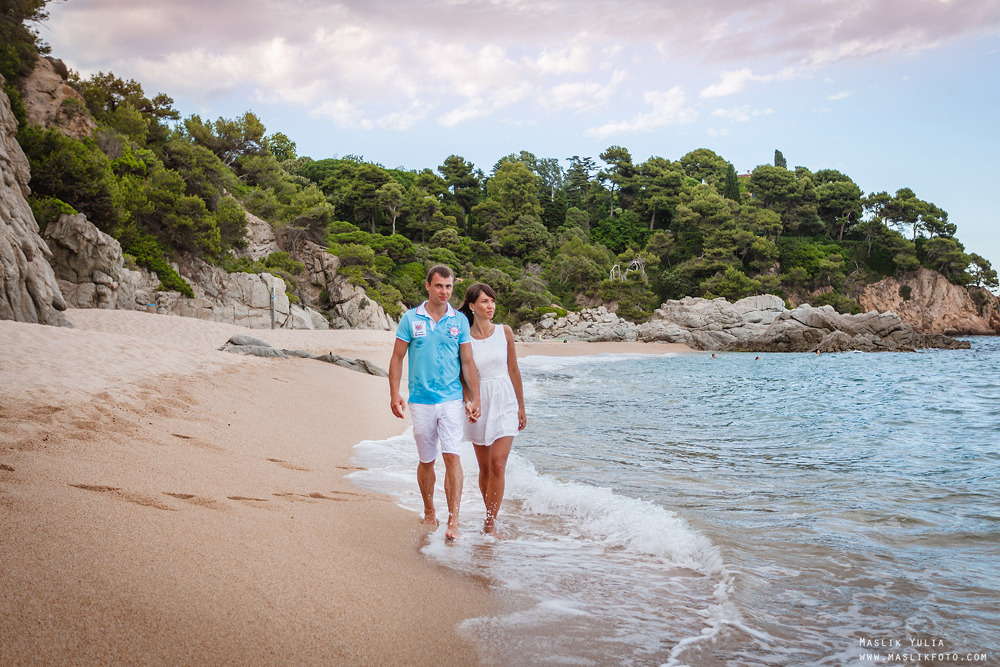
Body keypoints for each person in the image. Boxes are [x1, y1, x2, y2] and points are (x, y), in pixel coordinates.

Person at [389, 265, 480, 541]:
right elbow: (397, 358)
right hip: (420, 401)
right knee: (426, 459)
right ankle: (429, 510)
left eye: (449, 287)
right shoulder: (410, 318)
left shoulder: (459, 321)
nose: (445, 292)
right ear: (428, 286)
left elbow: (467, 362)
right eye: (439, 286)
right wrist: (394, 393)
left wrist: (473, 399)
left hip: (451, 399)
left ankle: (454, 519)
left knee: (452, 456)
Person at [458, 283, 526, 534]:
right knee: (485, 468)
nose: (491, 306)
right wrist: (469, 401)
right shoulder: (463, 337)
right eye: (485, 302)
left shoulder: (504, 332)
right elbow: (463, 376)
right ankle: (488, 513)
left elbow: (514, 370)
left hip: (505, 401)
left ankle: (490, 522)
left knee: (498, 463)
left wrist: (521, 406)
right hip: (480, 401)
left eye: (492, 301)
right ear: (472, 306)